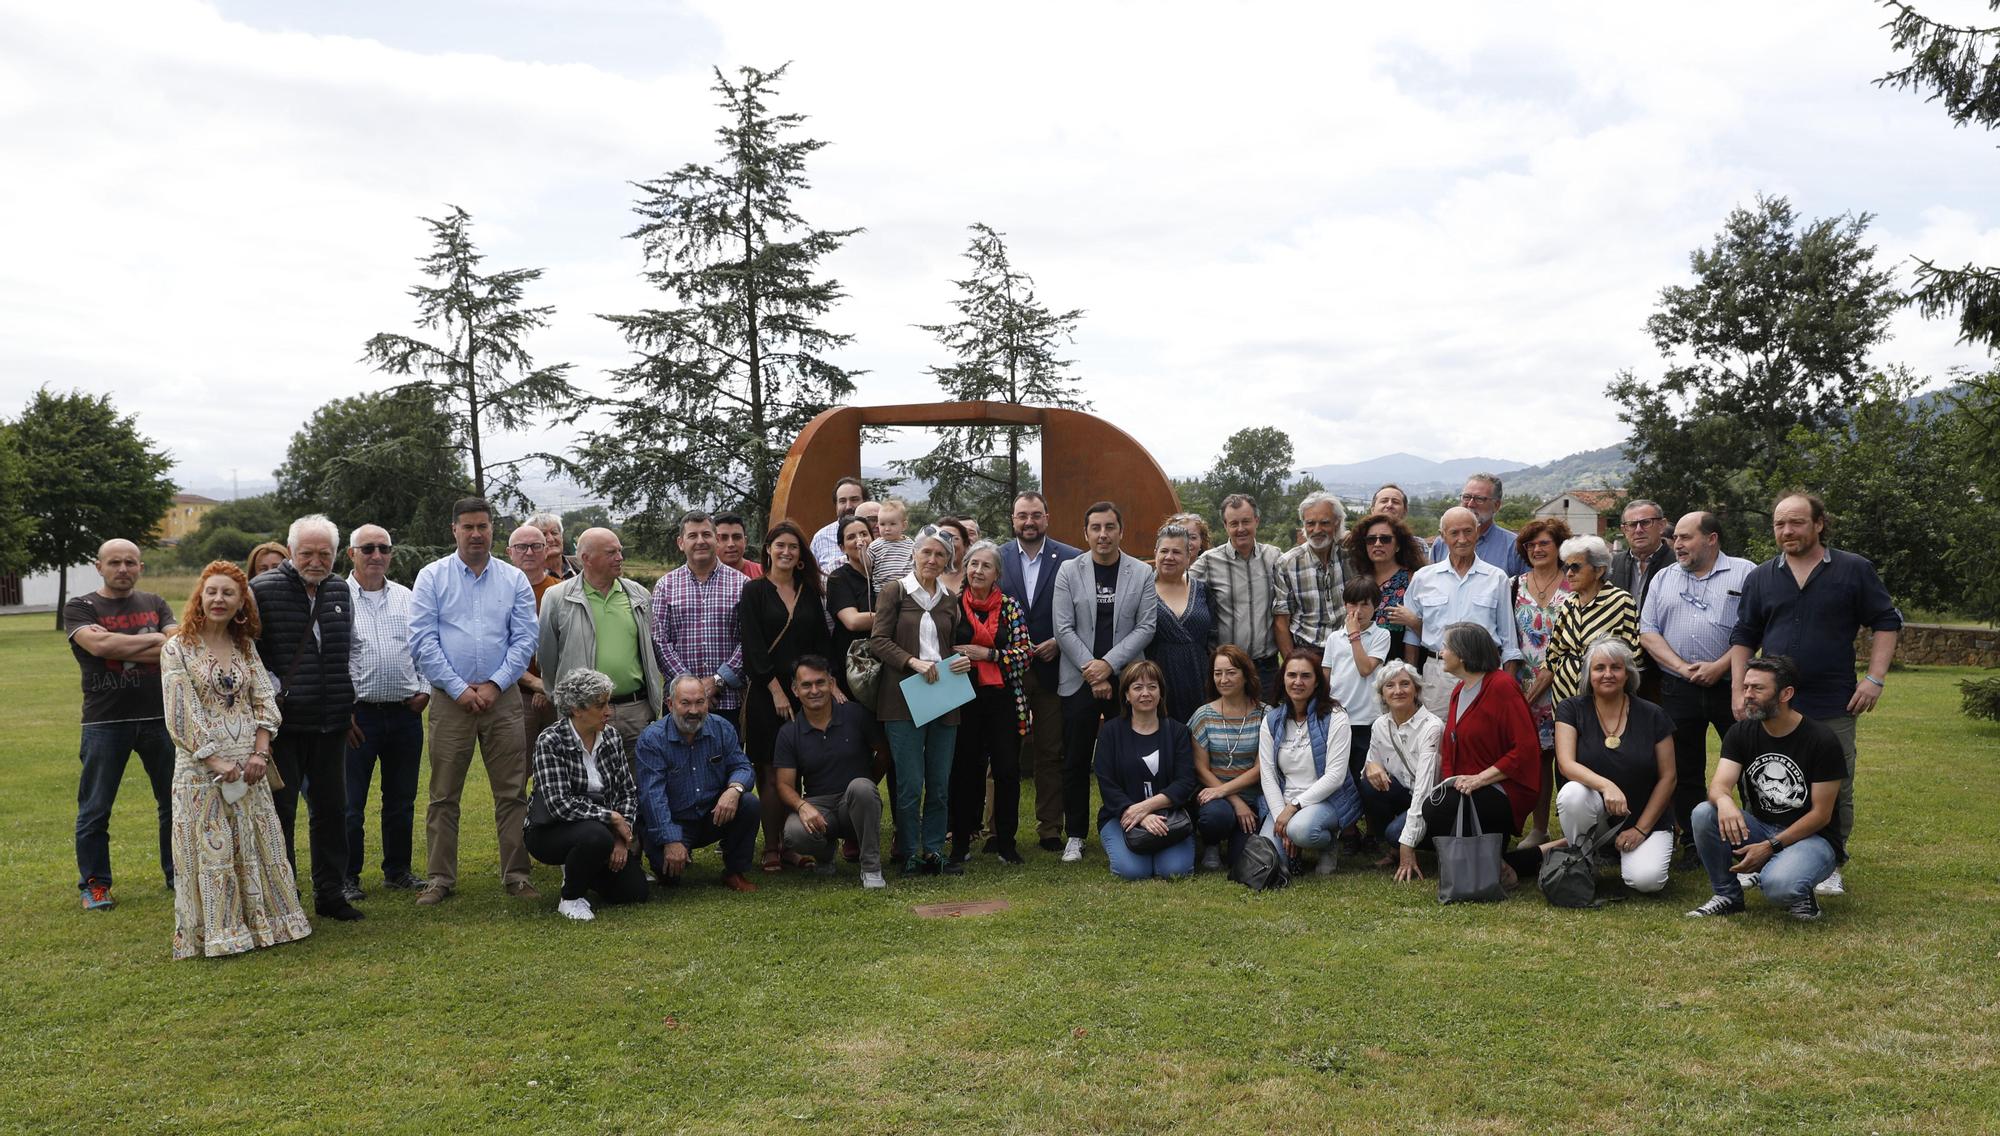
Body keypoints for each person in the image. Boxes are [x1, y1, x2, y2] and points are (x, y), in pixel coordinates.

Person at [1726, 490, 1899, 897]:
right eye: (1780, 524)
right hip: (1772, 702)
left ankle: (1830, 863)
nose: (1787, 531)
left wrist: (1874, 678)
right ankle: (1759, 856)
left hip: (1832, 700)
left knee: (1835, 785)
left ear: (1819, 523)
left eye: (1797, 522)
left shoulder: (1854, 569)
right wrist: (1740, 689)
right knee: (1760, 780)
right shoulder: (1762, 576)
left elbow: (1886, 622)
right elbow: (1744, 635)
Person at [161, 561, 313, 958]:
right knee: (214, 850)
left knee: (258, 845)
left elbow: (264, 699)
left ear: (240, 603)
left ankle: (269, 925)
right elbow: (181, 714)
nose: (219, 599)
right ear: (200, 596)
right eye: (212, 591)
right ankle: (221, 932)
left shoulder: (245, 647)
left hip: (250, 768)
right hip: (201, 772)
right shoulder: (178, 647)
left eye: (229, 593)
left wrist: (260, 753)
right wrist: (216, 762)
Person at [408, 496, 542, 905]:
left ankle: (517, 874)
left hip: (502, 699)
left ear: (492, 530)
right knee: (444, 794)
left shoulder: (513, 579)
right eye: (468, 526)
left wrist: (496, 684)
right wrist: (459, 687)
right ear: (454, 530)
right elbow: (423, 641)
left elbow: (524, 639)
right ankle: (440, 879)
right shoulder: (432, 577)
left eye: (483, 526)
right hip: (451, 700)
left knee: (511, 792)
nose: (476, 533)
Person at [249, 514, 361, 921]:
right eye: (307, 553)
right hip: (284, 725)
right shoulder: (262, 589)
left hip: (331, 721)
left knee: (332, 811)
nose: (316, 561)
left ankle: (331, 894)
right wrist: (275, 694)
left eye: (325, 553)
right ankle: (283, 897)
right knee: (281, 812)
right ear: (291, 551)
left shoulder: (338, 590)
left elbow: (342, 652)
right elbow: (251, 655)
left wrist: (346, 707)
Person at [1686, 656, 1845, 921]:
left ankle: (1800, 888)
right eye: (1746, 687)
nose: (1747, 695)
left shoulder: (1822, 740)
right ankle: (1728, 896)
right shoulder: (1742, 732)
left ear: (1786, 693)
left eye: (1758, 688)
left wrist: (1770, 847)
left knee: (1778, 887)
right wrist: (1725, 802)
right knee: (1705, 812)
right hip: (1762, 826)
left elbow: (1821, 815)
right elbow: (1719, 785)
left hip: (1814, 838)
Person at [65, 538, 178, 910]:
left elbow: (176, 646)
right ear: (99, 566)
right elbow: (99, 649)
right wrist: (153, 640)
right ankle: (95, 886)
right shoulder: (80, 607)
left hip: (160, 718)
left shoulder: (156, 603)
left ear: (141, 567)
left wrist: (122, 642)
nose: (123, 569)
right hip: (104, 721)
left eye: (131, 562)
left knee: (174, 802)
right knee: (95, 808)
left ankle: (178, 873)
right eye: (115, 562)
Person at [1639, 511, 1756, 861]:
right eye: (1676, 538)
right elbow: (1648, 631)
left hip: (1731, 686)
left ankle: (1754, 836)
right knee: (1684, 767)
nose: (1677, 544)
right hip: (1679, 687)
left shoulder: (1745, 572)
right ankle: (1694, 841)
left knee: (1749, 762)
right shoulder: (1663, 578)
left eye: (1686, 537)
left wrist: (1719, 666)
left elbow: (1754, 629)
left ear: (1712, 538)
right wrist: (1681, 668)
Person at [1054, 501, 1159, 862]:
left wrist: (1108, 666)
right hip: (1078, 678)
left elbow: (1146, 626)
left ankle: (1128, 822)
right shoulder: (1069, 571)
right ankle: (1076, 835)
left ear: (1120, 531)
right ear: (1085, 533)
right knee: (1076, 760)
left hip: (1128, 679)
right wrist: (1091, 667)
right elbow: (1062, 627)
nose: (1103, 534)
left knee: (1128, 758)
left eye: (1110, 527)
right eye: (1096, 527)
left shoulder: (1142, 572)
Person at [871, 525, 973, 875]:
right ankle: (910, 851)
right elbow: (878, 641)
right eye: (926, 552)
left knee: (940, 781)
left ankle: (934, 851)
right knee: (911, 782)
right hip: (903, 696)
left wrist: (961, 660)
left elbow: (949, 646)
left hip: (944, 694)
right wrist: (912, 661)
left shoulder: (949, 598)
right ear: (914, 554)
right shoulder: (894, 591)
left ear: (948, 560)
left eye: (940, 554)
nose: (932, 559)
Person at [1416, 622, 1542, 887]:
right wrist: (1450, 785)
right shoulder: (1458, 691)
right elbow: (1450, 749)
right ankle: (1503, 863)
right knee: (1437, 807)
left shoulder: (1501, 686)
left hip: (1506, 786)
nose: (1441, 652)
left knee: (1438, 809)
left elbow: (1525, 748)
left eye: (1446, 646)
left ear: (1463, 653)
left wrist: (1480, 779)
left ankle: (1491, 863)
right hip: (1469, 787)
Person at [738, 519, 831, 872]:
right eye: (780, 546)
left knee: (799, 769)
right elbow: (753, 648)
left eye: (793, 547)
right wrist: (776, 689)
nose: (786, 552)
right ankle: (772, 846)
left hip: (806, 693)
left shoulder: (810, 593)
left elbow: (820, 643)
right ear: (768, 551)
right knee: (770, 772)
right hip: (767, 695)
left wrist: (828, 683)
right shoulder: (754, 592)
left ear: (801, 554)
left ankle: (793, 842)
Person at [342, 523, 429, 899]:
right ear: (352, 554)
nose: (376, 555)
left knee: (401, 800)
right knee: (349, 804)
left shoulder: (408, 598)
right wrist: (341, 711)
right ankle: (346, 876)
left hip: (404, 714)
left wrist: (425, 688)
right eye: (368, 549)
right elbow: (329, 656)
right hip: (357, 717)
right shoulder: (336, 597)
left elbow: (426, 646)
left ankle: (398, 870)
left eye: (383, 548)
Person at [1552, 639, 1676, 894]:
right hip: (1594, 811)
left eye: (1615, 667)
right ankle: (1582, 860)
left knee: (1646, 881)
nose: (1607, 674)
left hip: (1643, 817)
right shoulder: (1571, 709)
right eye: (1599, 668)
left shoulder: (1653, 714)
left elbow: (1669, 777)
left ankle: (1625, 848)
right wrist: (1606, 786)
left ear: (1627, 673)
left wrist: (1641, 830)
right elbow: (1566, 764)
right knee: (1572, 794)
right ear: (1588, 675)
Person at [525, 668, 648, 921]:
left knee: (634, 892)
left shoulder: (612, 737)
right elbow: (559, 804)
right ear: (576, 709)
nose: (608, 711)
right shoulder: (550, 740)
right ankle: (570, 897)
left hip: (601, 830)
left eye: (608, 703)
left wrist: (621, 840)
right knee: (595, 836)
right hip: (550, 829)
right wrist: (611, 818)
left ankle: (583, 867)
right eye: (600, 705)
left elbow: (627, 791)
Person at [999, 491, 1082, 853]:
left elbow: (1083, 613)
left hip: (1053, 667)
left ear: (1047, 517)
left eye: (1035, 515)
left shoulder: (1071, 559)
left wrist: (1060, 643)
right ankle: (996, 831)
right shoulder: (996, 558)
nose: (1028, 522)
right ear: (1013, 519)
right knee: (1001, 754)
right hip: (1006, 673)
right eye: (1022, 516)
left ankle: (1050, 828)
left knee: (1050, 751)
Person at [632, 675, 762, 892]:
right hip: (674, 820)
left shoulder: (722, 728)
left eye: (699, 702)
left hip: (712, 815)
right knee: (670, 879)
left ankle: (734, 871)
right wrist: (671, 840)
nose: (694, 710)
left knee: (748, 803)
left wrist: (734, 789)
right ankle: (672, 855)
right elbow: (652, 797)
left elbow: (743, 767)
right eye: (685, 703)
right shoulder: (651, 739)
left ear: (707, 701)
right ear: (670, 704)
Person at [538, 526, 664, 747]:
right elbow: (547, 658)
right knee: (586, 778)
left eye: (619, 551)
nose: (620, 558)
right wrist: (567, 704)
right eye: (611, 552)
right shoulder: (557, 598)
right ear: (586, 558)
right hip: (584, 714)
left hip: (636, 711)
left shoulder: (639, 595)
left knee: (637, 780)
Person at [949, 541, 1034, 865]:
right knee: (964, 771)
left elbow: (1024, 654)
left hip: (1003, 699)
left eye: (986, 566)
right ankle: (960, 842)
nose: (978, 571)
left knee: (1007, 771)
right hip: (962, 698)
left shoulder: (1010, 607)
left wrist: (989, 654)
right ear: (966, 568)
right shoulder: (953, 605)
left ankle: (1006, 842)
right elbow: (943, 649)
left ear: (997, 572)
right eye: (973, 564)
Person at [777, 655, 889, 888]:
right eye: (806, 685)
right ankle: (825, 854)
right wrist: (803, 806)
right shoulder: (789, 732)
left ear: (831, 683)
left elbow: (884, 753)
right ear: (795, 690)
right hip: (820, 806)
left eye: (820, 682)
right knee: (793, 832)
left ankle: (871, 868)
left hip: (854, 800)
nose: (814, 690)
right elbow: (784, 785)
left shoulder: (856, 715)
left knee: (862, 787)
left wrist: (869, 786)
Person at [1403, 507, 1521, 715]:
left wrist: (1506, 687)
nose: (1462, 539)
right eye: (1454, 533)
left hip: (1484, 674)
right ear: (1442, 537)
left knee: (1482, 740)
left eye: (1468, 531)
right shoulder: (1423, 578)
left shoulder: (1496, 578)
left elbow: (1509, 641)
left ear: (1477, 532)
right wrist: (1409, 678)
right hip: (1437, 676)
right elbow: (1411, 637)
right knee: (1436, 740)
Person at [1092, 660, 1198, 879]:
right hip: (1122, 815)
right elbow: (1107, 784)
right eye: (1137, 687)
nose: (1146, 693)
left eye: (1152, 686)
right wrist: (1138, 815)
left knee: (1174, 871)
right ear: (1126, 695)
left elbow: (1185, 782)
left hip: (1169, 816)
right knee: (1133, 871)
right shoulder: (1110, 733)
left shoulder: (1177, 732)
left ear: (1161, 693)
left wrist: (1147, 808)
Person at [1257, 649, 1359, 876]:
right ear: (1282, 679)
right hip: (1283, 804)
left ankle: (1328, 842)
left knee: (1301, 830)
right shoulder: (1271, 720)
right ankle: (1293, 840)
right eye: (1291, 675)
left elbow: (1335, 776)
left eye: (1306, 676)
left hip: (1326, 801)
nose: (1297, 682)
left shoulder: (1336, 716)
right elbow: (1268, 775)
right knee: (1271, 856)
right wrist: (1280, 816)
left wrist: (1294, 808)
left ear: (1317, 682)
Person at [649, 511, 748, 728]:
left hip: (726, 701)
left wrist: (717, 681)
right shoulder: (665, 586)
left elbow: (749, 641)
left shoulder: (743, 585)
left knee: (724, 760)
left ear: (716, 539)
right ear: (681, 543)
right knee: (677, 760)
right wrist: (691, 689)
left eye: (706, 534)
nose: (700, 541)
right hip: (679, 703)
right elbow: (660, 642)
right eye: (693, 536)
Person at [1509, 517, 1573, 845]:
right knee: (1535, 760)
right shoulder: (1514, 585)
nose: (1536, 549)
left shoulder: (1574, 582)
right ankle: (1539, 828)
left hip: (1565, 686)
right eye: (1530, 545)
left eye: (1544, 543)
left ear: (1560, 547)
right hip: (1524, 684)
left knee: (1568, 759)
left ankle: (1578, 830)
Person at [1528, 535, 1640, 716]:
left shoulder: (1620, 601)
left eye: (1575, 567)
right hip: (1564, 700)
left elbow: (1632, 657)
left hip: (1604, 701)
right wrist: (1526, 701)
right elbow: (1552, 658)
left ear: (1599, 571)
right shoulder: (1568, 602)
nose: (1569, 573)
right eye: (1566, 567)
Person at [1192, 493, 1284, 697]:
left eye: (1246, 521)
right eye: (1234, 523)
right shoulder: (1208, 562)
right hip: (1227, 670)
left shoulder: (1275, 557)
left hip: (1266, 668)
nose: (1240, 529)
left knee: (1266, 726)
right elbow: (1175, 583)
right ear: (1225, 526)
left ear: (1256, 521)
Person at [1362, 661, 1443, 878]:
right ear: (1382, 693)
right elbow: (1370, 764)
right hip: (1405, 793)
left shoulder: (1432, 727)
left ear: (1416, 690)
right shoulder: (1380, 724)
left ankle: (1406, 843)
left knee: (1395, 833)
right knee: (1368, 785)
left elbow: (1425, 790)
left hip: (1433, 802)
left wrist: (1407, 844)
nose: (1398, 691)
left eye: (1405, 684)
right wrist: (1372, 765)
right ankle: (1395, 845)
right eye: (1390, 685)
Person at [1190, 645, 1266, 870]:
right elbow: (1200, 769)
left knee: (1240, 860)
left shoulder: (1265, 714)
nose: (1223, 679)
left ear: (1246, 675)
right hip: (1215, 797)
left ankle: (1235, 839)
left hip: (1251, 797)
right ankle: (1211, 843)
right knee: (1216, 817)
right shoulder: (1203, 715)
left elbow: (1261, 767)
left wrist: (1239, 799)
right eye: (1217, 673)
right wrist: (1233, 799)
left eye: (1231, 672)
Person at [1322, 576, 1391, 789]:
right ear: (1345, 605)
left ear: (1375, 607)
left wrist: (1354, 636)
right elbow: (1326, 676)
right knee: (1340, 779)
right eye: (1353, 604)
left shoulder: (1381, 635)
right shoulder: (1334, 638)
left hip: (1367, 719)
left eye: (1365, 604)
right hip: (1339, 718)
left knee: (1366, 778)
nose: (1358, 611)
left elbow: (1365, 669)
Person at [1146, 521, 1213, 722]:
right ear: (1156, 552)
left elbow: (1213, 636)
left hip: (1198, 679)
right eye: (1164, 551)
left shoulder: (1202, 590)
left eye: (1176, 552)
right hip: (1156, 680)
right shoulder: (1142, 589)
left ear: (1188, 556)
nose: (1169, 557)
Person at [1608, 499, 1673, 702]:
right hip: (1620, 669)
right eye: (1631, 525)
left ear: (1661, 525)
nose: (1638, 530)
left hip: (1665, 671)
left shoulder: (1677, 565)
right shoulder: (1611, 565)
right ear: (1623, 529)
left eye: (1646, 523)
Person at [1274, 491, 1347, 662]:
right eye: (1310, 523)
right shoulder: (1287, 563)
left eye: (1325, 523)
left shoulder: (1351, 556)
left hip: (1348, 650)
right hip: (1307, 651)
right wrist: (1292, 664)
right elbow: (1281, 622)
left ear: (1337, 523)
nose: (1317, 530)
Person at [507, 523, 559, 759]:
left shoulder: (561, 591)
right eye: (522, 547)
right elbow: (495, 646)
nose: (529, 552)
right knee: (516, 770)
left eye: (536, 546)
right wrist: (533, 683)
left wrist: (547, 684)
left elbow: (570, 642)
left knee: (559, 768)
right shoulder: (499, 592)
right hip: (515, 696)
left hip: (559, 695)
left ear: (546, 550)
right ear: (510, 552)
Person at [1345, 510, 1426, 661]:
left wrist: (1414, 622)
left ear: (1398, 545)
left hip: (1401, 666)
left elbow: (1433, 632)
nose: (1377, 544)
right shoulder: (1360, 580)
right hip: (1365, 665)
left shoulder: (1414, 579)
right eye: (1371, 539)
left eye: (1385, 539)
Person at [1428, 474, 1527, 575]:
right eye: (1466, 497)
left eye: (1479, 499)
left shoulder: (1514, 547)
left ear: (1496, 505)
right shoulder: (1441, 543)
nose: (1470, 504)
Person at [825, 514, 876, 700]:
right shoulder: (838, 579)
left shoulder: (883, 572)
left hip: (888, 661)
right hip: (856, 666)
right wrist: (894, 616)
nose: (860, 541)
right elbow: (853, 621)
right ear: (841, 547)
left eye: (864, 534)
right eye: (851, 537)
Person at [809, 475, 868, 575]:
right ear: (836, 505)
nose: (848, 506)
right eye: (842, 501)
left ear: (865, 502)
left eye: (854, 500)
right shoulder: (820, 538)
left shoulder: (875, 533)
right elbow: (810, 578)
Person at [867, 498, 917, 594]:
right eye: (882, 524)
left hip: (907, 591)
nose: (887, 528)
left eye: (892, 524)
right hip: (883, 591)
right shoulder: (875, 545)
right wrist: (862, 552)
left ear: (904, 525)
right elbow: (867, 564)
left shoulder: (910, 544)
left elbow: (916, 564)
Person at [713, 511, 764, 579]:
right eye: (724, 538)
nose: (731, 544)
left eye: (737, 537)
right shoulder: (702, 576)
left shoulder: (763, 573)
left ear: (745, 541)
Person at [529, 511, 579, 580]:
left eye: (554, 533)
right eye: (543, 534)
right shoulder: (528, 577)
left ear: (561, 537)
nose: (551, 539)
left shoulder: (583, 565)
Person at [936, 515, 973, 594]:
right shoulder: (928, 576)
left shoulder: (974, 576)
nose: (948, 544)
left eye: (954, 538)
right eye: (942, 538)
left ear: (965, 544)